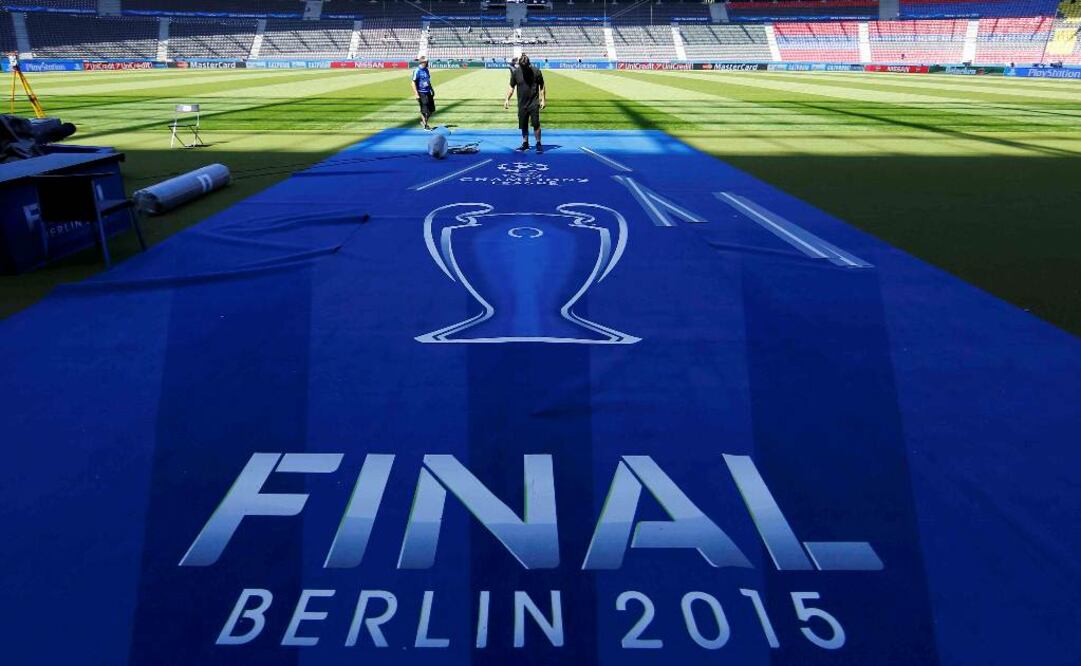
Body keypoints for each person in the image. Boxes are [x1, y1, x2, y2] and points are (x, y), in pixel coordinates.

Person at [503, 53, 546, 153]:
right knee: (523, 124)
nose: (524, 69)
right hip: (522, 103)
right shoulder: (516, 73)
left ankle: (538, 143)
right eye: (522, 67)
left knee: (536, 124)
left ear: (529, 65)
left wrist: (543, 99)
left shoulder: (536, 71)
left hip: (534, 102)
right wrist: (507, 99)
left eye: (526, 67)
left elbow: (542, 86)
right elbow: (511, 87)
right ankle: (525, 144)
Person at [411, 56, 435, 130]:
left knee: (431, 110)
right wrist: (416, 94)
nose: (428, 63)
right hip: (421, 93)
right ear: (423, 62)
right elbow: (413, 82)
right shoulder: (417, 70)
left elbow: (428, 81)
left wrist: (432, 89)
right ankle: (425, 125)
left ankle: (423, 121)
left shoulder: (426, 70)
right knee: (424, 110)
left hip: (428, 91)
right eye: (426, 62)